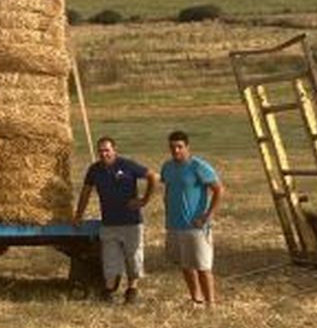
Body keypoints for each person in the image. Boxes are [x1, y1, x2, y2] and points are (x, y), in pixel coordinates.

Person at [72, 136, 157, 304]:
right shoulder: (94, 169)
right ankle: (109, 290)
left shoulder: (127, 165)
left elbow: (152, 176)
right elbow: (86, 192)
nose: (104, 154)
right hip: (109, 223)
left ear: (114, 150)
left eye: (107, 150)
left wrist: (144, 200)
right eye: (101, 151)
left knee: (133, 259)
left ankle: (132, 290)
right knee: (110, 262)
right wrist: (78, 215)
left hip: (131, 223)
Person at [161, 130, 224, 307]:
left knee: (203, 266)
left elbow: (218, 189)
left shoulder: (198, 166)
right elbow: (168, 190)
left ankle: (211, 303)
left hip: (196, 226)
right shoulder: (167, 167)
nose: (176, 151)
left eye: (180, 147)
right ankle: (196, 299)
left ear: (187, 147)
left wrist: (207, 216)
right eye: (172, 147)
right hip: (175, 224)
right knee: (186, 265)